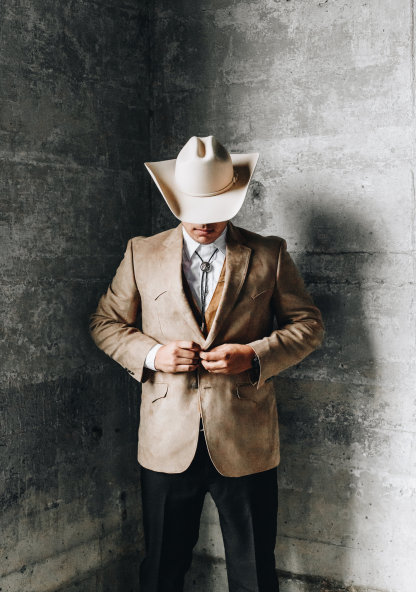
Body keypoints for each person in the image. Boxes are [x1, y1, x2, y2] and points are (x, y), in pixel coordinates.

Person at [89, 135, 324, 592]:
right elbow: (105, 323)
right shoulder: (141, 252)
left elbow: (308, 325)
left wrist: (253, 355)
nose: (204, 222)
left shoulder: (269, 253)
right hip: (165, 440)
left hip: (246, 438)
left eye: (215, 209)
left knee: (254, 572)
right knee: (161, 570)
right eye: (193, 209)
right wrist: (154, 355)